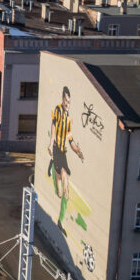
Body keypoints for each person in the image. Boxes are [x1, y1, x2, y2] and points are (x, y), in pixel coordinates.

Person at [48, 86, 85, 237]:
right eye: (66, 100)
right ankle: (53, 169)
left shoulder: (69, 119)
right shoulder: (57, 110)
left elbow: (71, 140)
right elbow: (54, 125)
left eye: (70, 101)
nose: (68, 103)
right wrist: (50, 144)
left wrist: (78, 152)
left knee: (66, 192)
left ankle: (60, 221)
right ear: (62, 99)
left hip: (63, 153)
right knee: (60, 190)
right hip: (56, 150)